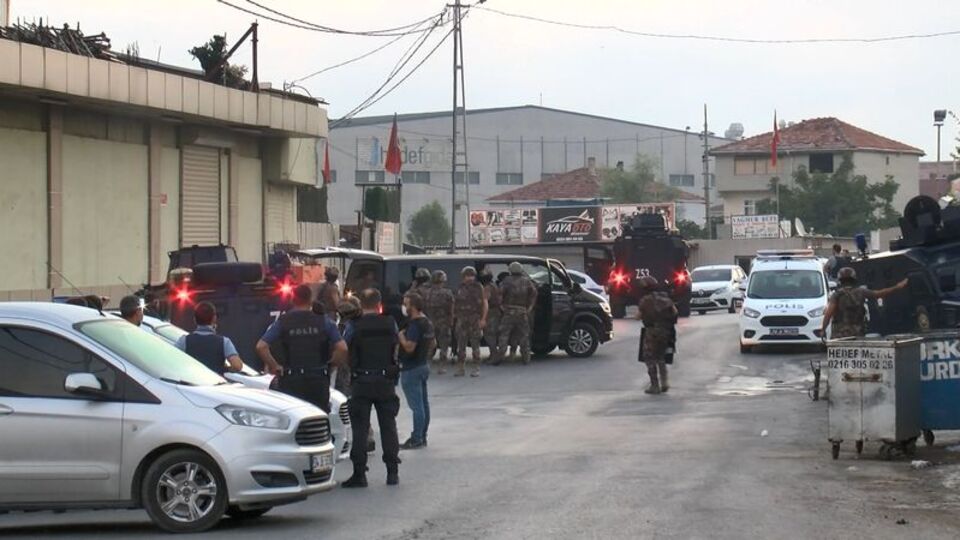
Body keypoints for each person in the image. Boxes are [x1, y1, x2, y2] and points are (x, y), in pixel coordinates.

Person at [341, 288, 402, 488]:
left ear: (360, 305)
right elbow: (395, 345)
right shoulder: (390, 323)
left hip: (361, 382)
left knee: (359, 429)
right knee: (389, 427)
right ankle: (392, 472)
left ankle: (360, 474)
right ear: (379, 304)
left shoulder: (353, 325)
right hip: (385, 381)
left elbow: (345, 347)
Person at [256, 284, 347, 413]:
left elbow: (261, 346)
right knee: (319, 418)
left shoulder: (283, 321)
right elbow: (342, 348)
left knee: (294, 419)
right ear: (311, 300)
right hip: (318, 379)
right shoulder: (324, 321)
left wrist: (274, 366)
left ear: (293, 299)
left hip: (291, 380)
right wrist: (332, 365)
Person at [821, 268, 909, 339]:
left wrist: (823, 329)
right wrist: (897, 287)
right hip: (857, 333)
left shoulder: (837, 295)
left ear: (840, 280)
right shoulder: (861, 292)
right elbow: (880, 293)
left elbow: (828, 314)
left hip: (839, 335)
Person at [397, 292, 435, 449]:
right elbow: (433, 343)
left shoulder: (414, 325)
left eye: (406, 304)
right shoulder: (427, 322)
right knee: (423, 404)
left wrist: (401, 337)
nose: (404, 307)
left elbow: (409, 347)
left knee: (416, 406)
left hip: (411, 368)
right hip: (423, 365)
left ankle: (416, 437)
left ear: (412, 306)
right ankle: (422, 435)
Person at [176, 301, 244, 375]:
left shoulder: (184, 340)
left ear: (194, 320)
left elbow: (172, 360)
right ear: (214, 318)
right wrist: (224, 369)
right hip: (215, 383)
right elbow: (237, 366)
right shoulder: (224, 341)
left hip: (192, 383)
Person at [636, 276, 678, 395]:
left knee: (650, 358)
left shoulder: (645, 300)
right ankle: (665, 382)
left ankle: (655, 385)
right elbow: (675, 312)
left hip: (651, 332)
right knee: (661, 357)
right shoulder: (664, 297)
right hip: (665, 332)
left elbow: (637, 316)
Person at [494, 262, 537, 365]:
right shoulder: (527, 281)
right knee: (524, 335)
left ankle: (500, 356)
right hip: (522, 312)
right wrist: (529, 308)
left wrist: (502, 308)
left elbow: (499, 296)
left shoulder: (506, 281)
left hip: (508, 312)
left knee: (504, 335)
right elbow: (534, 294)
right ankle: (526, 358)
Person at [454, 266, 488, 377]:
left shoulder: (479, 287)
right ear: (463, 277)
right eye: (467, 276)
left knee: (475, 346)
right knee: (461, 346)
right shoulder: (459, 287)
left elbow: (484, 303)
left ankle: (476, 368)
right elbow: (455, 303)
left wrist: (483, 319)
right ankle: (460, 368)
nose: (469, 278)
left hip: (474, 320)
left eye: (471, 275)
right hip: (462, 320)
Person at [424, 270, 455, 374]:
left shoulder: (427, 292)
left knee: (429, 344)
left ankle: (427, 365)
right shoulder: (447, 293)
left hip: (430, 322)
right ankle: (442, 367)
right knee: (444, 345)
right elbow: (451, 309)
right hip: (443, 322)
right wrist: (451, 321)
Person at [480, 269, 502, 364]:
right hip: (496, 312)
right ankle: (493, 355)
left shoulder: (487, 288)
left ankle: (495, 356)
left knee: (489, 335)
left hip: (491, 313)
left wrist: (483, 318)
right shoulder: (494, 285)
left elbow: (485, 303)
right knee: (492, 334)